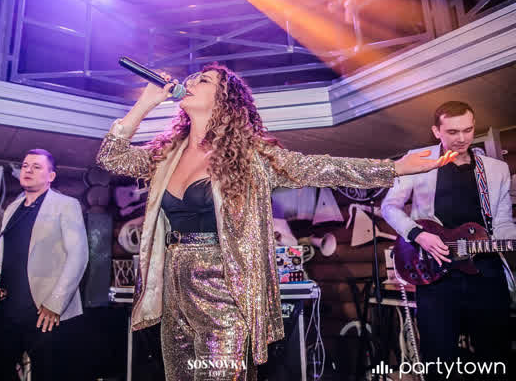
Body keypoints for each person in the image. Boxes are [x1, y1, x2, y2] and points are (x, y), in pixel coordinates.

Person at [96, 64, 455, 380]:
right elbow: (111, 157)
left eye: (203, 80)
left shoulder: (250, 157)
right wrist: (145, 102)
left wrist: (394, 169)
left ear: (225, 101)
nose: (190, 82)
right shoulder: (166, 154)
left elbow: (319, 167)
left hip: (225, 285)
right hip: (173, 284)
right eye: (192, 78)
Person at [382, 101, 515, 380]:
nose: (462, 138)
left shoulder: (496, 170)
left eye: (468, 130)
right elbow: (389, 207)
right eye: (453, 131)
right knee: (438, 355)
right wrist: (418, 235)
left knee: (495, 353)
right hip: (435, 271)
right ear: (436, 131)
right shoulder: (418, 160)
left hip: (485, 271)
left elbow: (502, 223)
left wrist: (510, 238)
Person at [0, 148, 89, 381]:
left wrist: (55, 303)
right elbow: (2, 251)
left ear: (51, 176)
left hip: (45, 312)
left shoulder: (66, 204)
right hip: (6, 309)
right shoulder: (12, 208)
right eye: (25, 166)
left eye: (36, 166)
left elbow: (78, 255)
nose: (28, 170)